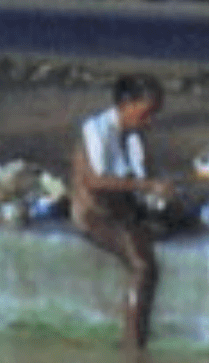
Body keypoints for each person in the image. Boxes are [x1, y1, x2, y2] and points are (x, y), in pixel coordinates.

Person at [69, 73, 174, 348]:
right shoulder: (96, 130)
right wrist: (147, 185)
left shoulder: (134, 136)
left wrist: (156, 190)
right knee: (142, 265)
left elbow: (139, 173)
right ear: (126, 105)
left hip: (123, 209)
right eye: (145, 114)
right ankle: (132, 342)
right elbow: (94, 181)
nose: (149, 122)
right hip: (94, 214)